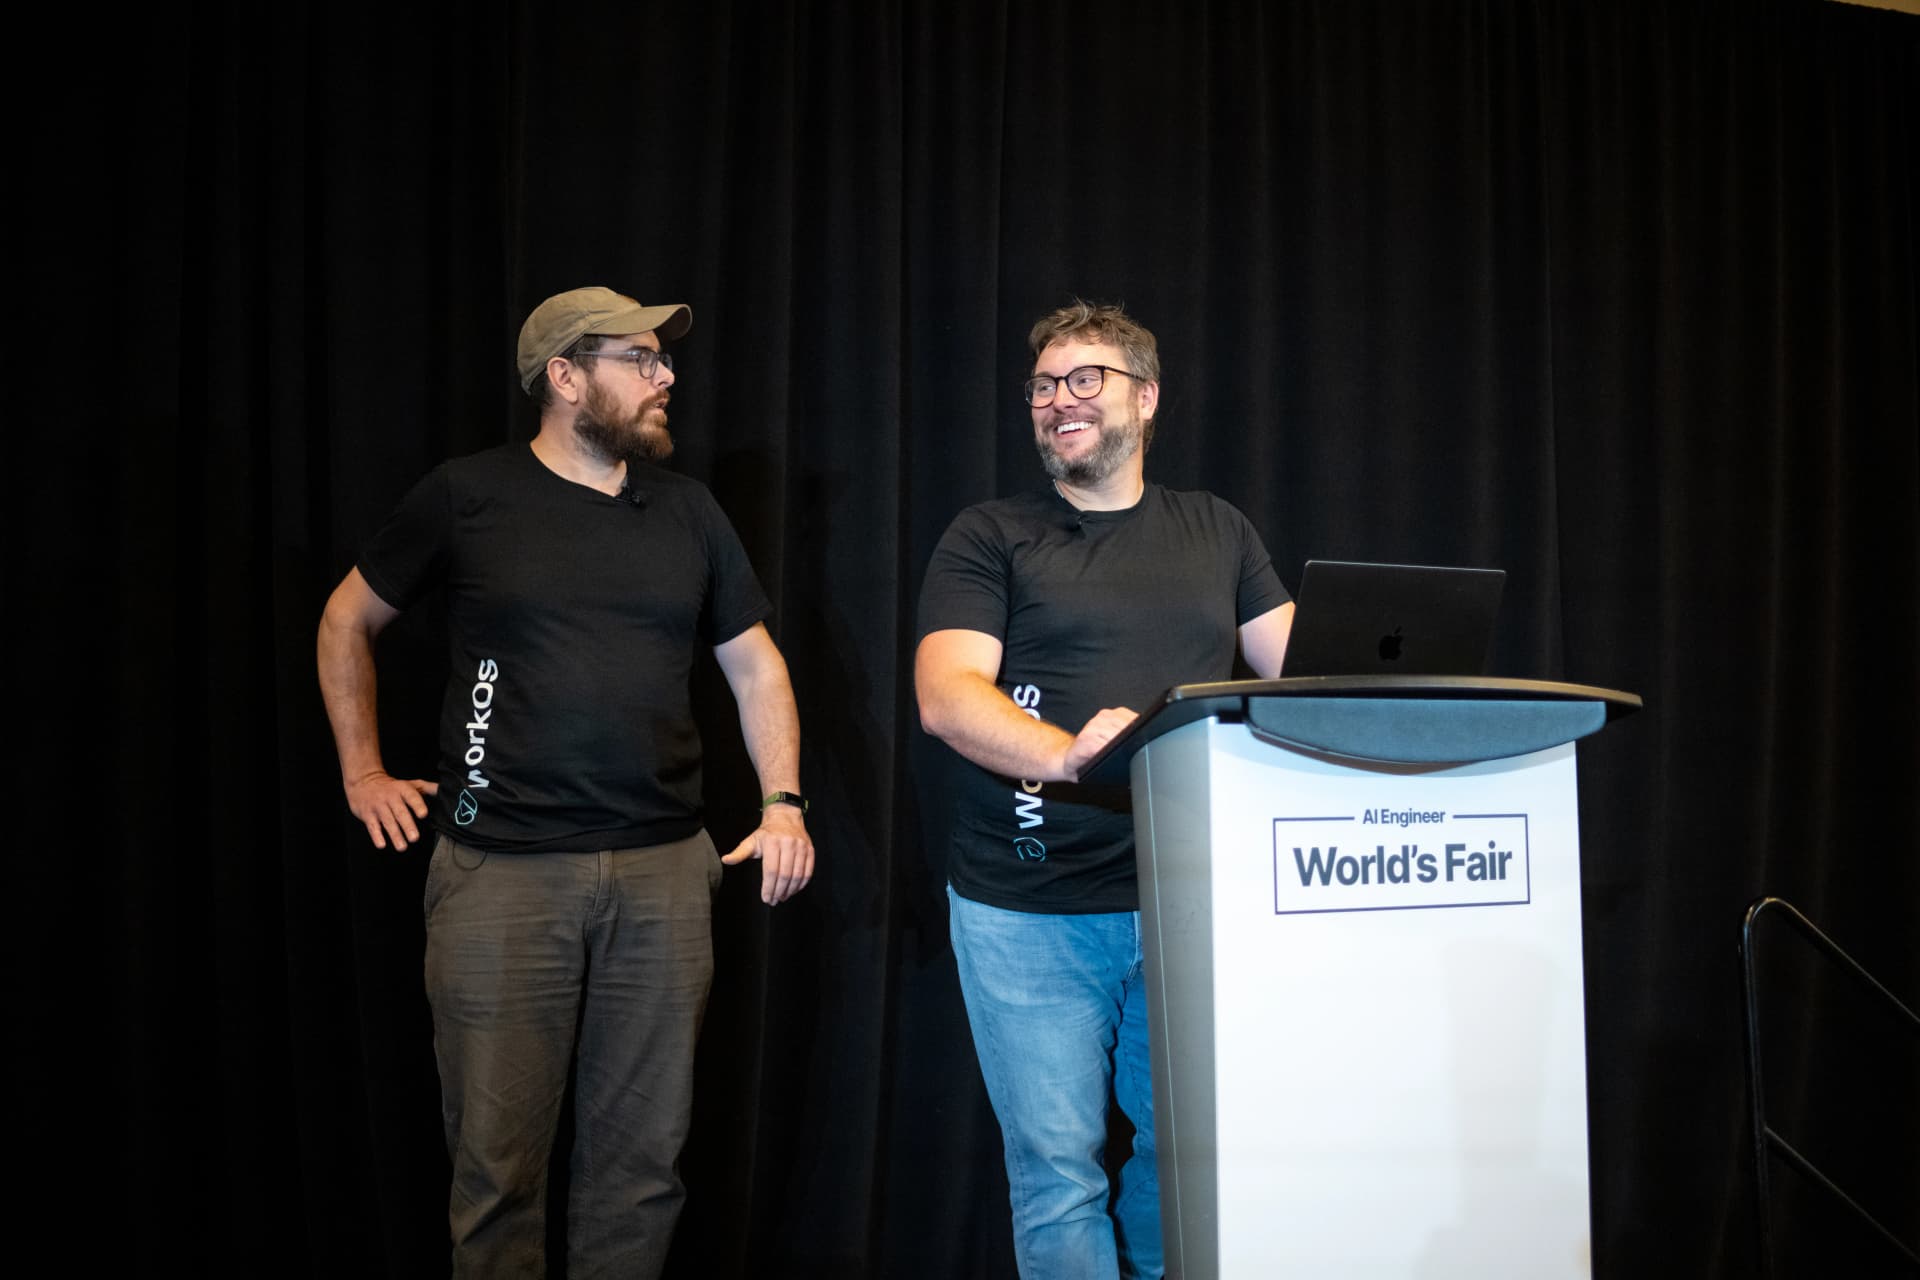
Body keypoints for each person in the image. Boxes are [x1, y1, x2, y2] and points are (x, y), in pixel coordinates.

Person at [316, 285, 814, 1279]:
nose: (666, 375)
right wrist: (363, 771)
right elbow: (346, 621)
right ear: (565, 376)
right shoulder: (469, 495)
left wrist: (785, 800)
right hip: (503, 876)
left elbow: (756, 662)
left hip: (666, 876)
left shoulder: (687, 509)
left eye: (664, 359)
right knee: (498, 1167)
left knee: (641, 1168)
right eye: (641, 357)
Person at [914, 300, 1294, 1278]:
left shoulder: (1215, 527)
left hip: (1184, 902)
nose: (1058, 399)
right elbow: (949, 694)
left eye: (1085, 377)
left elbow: (1303, 670)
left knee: (1187, 1155)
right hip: (1028, 905)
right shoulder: (989, 534)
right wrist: (1072, 754)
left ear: (1147, 398)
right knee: (1058, 1170)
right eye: (1044, 384)